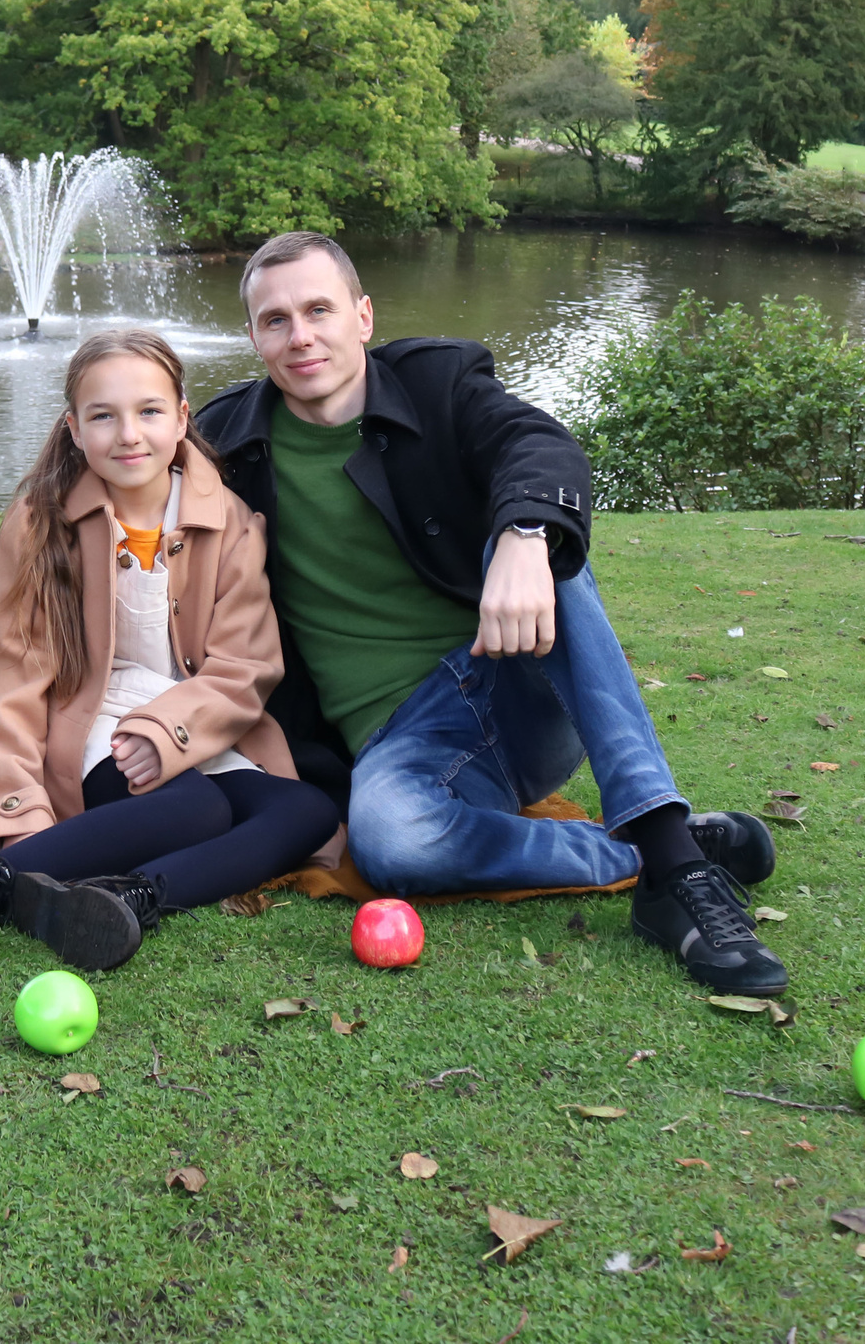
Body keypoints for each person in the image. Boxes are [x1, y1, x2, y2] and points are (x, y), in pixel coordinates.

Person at [193, 232, 788, 994]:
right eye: (275, 319)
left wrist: (525, 533)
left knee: (547, 543)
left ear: (363, 316)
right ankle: (642, 849)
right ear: (252, 336)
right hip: (404, 740)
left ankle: (674, 867)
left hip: (510, 675)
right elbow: (124, 470)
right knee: (388, 842)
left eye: (319, 309)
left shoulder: (437, 381)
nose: (300, 335)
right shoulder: (228, 444)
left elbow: (537, 444)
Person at [0, 329, 339, 969]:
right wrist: (18, 804)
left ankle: (130, 896)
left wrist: (169, 730)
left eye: (149, 411)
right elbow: (9, 681)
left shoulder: (227, 519)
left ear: (181, 419)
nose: (129, 435)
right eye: (103, 416)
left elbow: (246, 668)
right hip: (90, 719)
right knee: (197, 809)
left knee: (307, 810)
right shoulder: (42, 522)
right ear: (73, 428)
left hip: (191, 717)